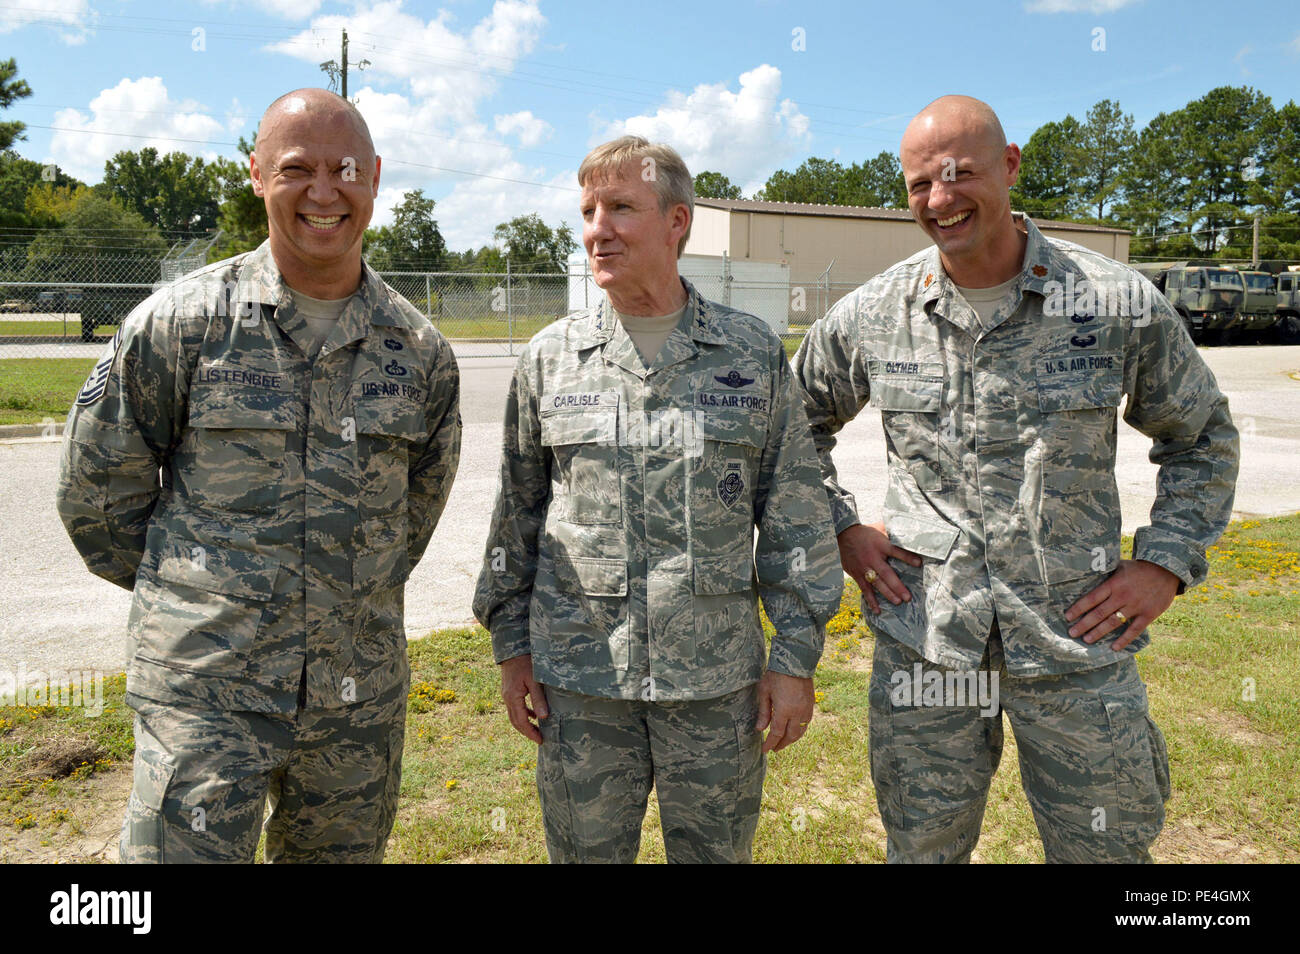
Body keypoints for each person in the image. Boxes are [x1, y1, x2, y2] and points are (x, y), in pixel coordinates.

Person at [792, 95, 1239, 863]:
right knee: (923, 850)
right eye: (919, 184)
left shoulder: (1111, 301)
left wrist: (1165, 562)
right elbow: (789, 430)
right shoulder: (874, 313)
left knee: (1106, 853)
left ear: (1010, 166)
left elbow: (1201, 437)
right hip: (929, 647)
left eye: (961, 173)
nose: (940, 199)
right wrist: (841, 527)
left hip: (1075, 645)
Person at [56, 88, 462, 863]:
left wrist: (334, 597)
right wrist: (199, 602)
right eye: (295, 168)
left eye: (344, 169)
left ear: (374, 176)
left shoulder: (418, 352)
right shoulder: (179, 325)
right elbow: (99, 502)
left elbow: (412, 517)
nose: (323, 191)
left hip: (355, 697)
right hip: (204, 693)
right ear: (256, 175)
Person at [472, 135, 842, 863]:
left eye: (620, 208)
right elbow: (513, 517)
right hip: (582, 685)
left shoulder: (751, 353)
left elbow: (796, 513)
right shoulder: (552, 357)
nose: (597, 229)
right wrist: (511, 648)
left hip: (713, 688)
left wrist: (795, 658)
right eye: (587, 210)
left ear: (678, 222)